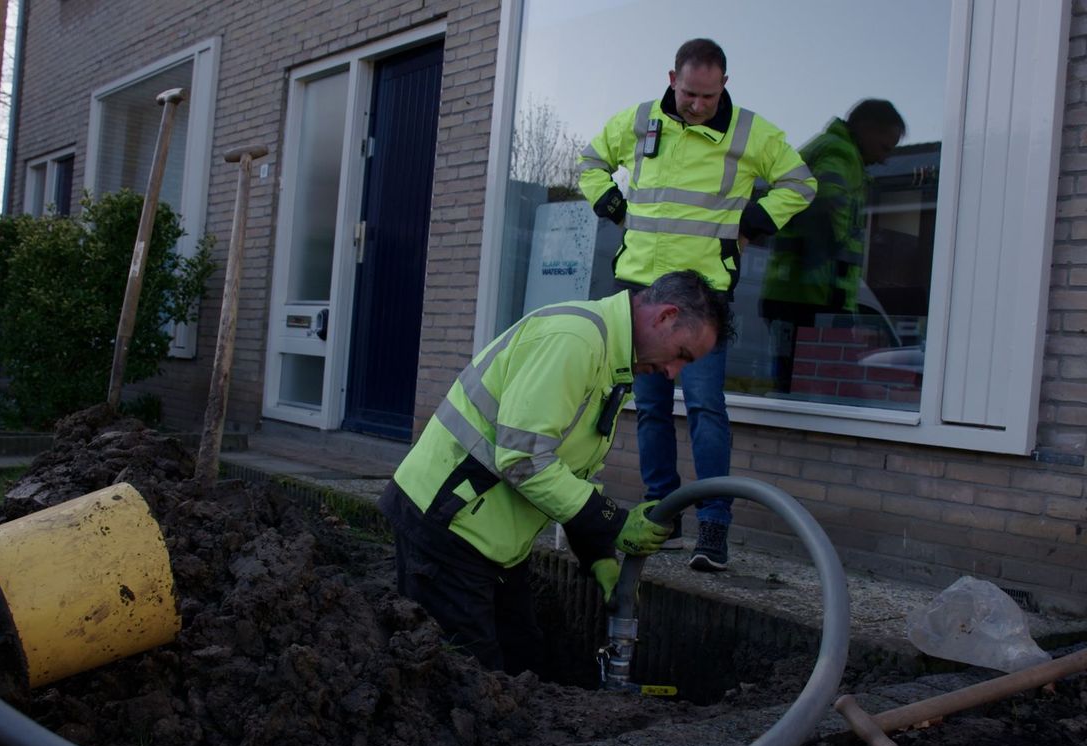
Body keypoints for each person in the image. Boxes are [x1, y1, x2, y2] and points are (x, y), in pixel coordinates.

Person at [378, 270, 732, 675]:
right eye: (682, 355)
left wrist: (598, 554)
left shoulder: (610, 361)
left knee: (522, 659)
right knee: (465, 678)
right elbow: (524, 459)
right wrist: (614, 523)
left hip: (490, 536)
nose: (673, 373)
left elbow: (567, 473)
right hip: (445, 528)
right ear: (666, 316)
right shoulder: (575, 340)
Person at [577, 38, 816, 573]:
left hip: (703, 297)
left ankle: (714, 526)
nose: (698, 105)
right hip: (641, 294)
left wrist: (756, 220)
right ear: (671, 78)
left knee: (707, 410)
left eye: (709, 96)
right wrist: (607, 199)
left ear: (724, 85)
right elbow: (591, 161)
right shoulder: (639, 121)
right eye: (689, 93)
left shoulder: (751, 131)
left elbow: (800, 182)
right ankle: (663, 514)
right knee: (652, 410)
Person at [761, 99, 906, 393]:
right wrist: (833, 294)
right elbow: (822, 210)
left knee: (796, 385)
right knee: (814, 389)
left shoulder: (830, 150)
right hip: (810, 298)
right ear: (865, 129)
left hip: (799, 294)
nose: (883, 160)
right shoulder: (840, 154)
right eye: (885, 147)